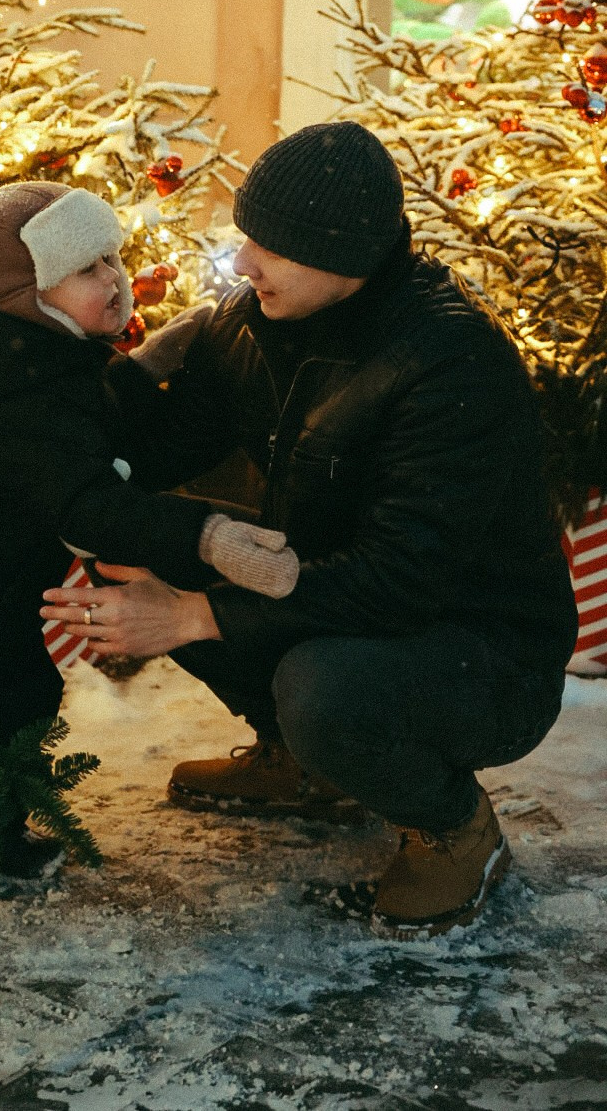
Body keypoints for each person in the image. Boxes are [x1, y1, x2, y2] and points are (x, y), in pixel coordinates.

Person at [41, 121, 578, 939]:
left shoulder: (448, 360)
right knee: (144, 544)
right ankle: (301, 760)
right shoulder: (249, 322)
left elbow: (403, 578)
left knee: (325, 689)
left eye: (271, 246)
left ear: (346, 256)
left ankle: (452, 823)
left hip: (480, 650)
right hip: (334, 598)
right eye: (247, 237)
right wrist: (19, 372)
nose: (242, 261)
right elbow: (151, 451)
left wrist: (193, 614)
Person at [0, 179, 296, 745]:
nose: (114, 277)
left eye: (110, 258)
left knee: (15, 702)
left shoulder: (39, 354)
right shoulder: (15, 390)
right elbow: (86, 505)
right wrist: (212, 537)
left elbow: (98, 418)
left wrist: (141, 369)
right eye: (86, 270)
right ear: (31, 294)